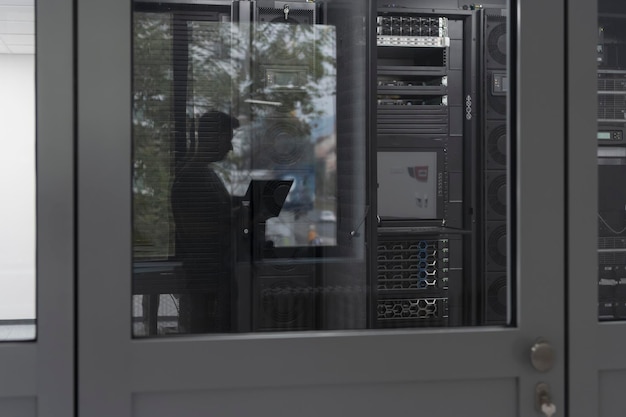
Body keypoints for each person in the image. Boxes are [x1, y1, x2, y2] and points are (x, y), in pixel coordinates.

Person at [170, 110, 239, 333]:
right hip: (207, 282)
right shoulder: (193, 177)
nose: (230, 147)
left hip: (212, 279)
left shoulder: (204, 174)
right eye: (227, 139)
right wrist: (241, 217)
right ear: (213, 137)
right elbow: (201, 231)